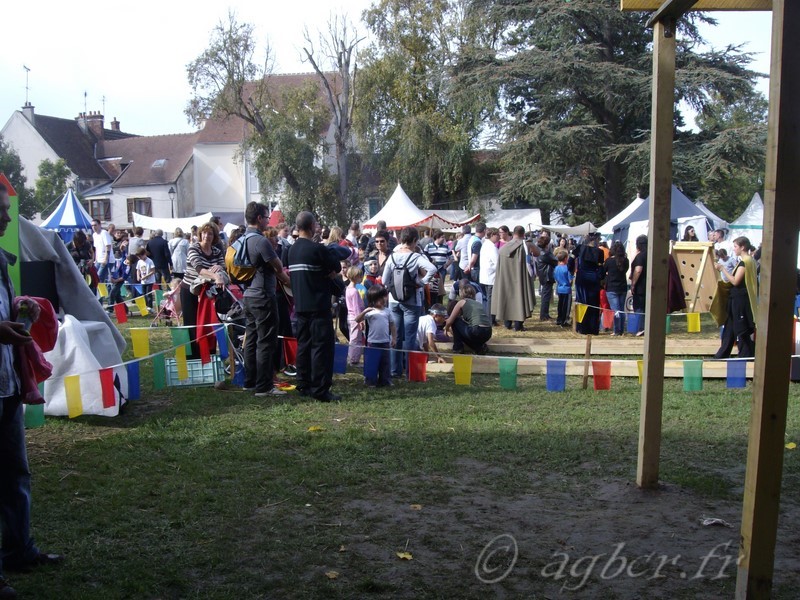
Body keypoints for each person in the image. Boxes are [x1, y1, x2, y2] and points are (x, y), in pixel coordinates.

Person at [0, 184, 63, 598]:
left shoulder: (1, 261)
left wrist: (22, 307)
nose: (7, 218)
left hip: (5, 384)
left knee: (15, 473)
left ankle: (19, 551)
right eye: (2, 211)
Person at [287, 211, 342, 402]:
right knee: (321, 348)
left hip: (300, 306)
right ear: (311, 226)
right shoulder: (317, 249)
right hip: (318, 305)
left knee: (303, 346)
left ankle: (303, 384)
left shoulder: (291, 250)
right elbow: (336, 266)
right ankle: (320, 389)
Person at [241, 202, 290, 396]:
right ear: (260, 218)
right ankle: (264, 386)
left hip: (248, 295)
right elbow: (278, 267)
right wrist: (291, 285)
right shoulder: (260, 241)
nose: (268, 220)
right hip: (263, 295)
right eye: (267, 217)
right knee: (266, 340)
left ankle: (250, 381)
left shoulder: (242, 239)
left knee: (251, 339)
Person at [382, 227, 435, 378]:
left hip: (394, 301)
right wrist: (421, 282)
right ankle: (410, 372)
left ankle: (394, 370)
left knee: (396, 336)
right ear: (414, 241)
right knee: (410, 338)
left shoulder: (392, 257)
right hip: (412, 301)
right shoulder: (416, 257)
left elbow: (385, 280)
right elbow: (432, 269)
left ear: (401, 239)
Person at [180, 222, 227, 359]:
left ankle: (208, 355)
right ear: (200, 234)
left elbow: (223, 266)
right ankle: (193, 358)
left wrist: (218, 268)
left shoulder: (217, 251)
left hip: (207, 293)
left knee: (207, 324)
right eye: (204, 233)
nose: (207, 236)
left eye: (210, 233)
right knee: (192, 324)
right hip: (189, 291)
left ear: (215, 236)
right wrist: (215, 275)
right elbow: (199, 269)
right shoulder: (193, 249)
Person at [714, 236, 758, 359]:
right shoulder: (747, 261)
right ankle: (722, 354)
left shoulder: (746, 261)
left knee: (741, 328)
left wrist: (722, 268)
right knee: (729, 327)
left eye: (735, 247)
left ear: (742, 247)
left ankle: (746, 354)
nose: (734, 249)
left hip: (740, 299)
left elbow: (735, 281)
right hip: (736, 299)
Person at [491, 225, 537, 331]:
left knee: (507, 297)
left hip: (506, 279)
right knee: (520, 298)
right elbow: (537, 253)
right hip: (520, 278)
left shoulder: (503, 249)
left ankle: (508, 324)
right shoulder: (526, 245)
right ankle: (518, 325)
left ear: (513, 232)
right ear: (523, 233)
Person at [355, 284, 396, 387]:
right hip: (373, 342)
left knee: (385, 363)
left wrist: (394, 338)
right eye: (379, 298)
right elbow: (357, 320)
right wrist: (365, 311)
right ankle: (370, 381)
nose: (382, 300)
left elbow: (392, 325)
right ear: (373, 300)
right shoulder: (370, 312)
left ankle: (385, 380)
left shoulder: (387, 311)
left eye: (384, 297)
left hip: (385, 342)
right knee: (371, 363)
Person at [445, 284, 492, 354]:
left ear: (461, 294)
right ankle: (479, 347)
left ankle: (458, 348)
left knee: (456, 320)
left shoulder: (461, 302)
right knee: (465, 332)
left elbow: (450, 321)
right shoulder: (478, 303)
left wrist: (446, 329)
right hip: (488, 332)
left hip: (476, 330)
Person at [574, 232, 604, 335]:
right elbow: (600, 268)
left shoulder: (580, 248)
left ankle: (581, 327)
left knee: (582, 301)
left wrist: (570, 270)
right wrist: (600, 277)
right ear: (595, 240)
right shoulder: (600, 252)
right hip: (593, 278)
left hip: (582, 277)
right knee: (593, 303)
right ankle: (592, 327)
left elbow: (571, 258)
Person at [604, 241, 630, 336]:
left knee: (615, 310)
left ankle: (616, 330)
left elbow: (603, 271)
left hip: (611, 288)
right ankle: (621, 330)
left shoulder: (609, 261)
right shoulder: (626, 261)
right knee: (621, 310)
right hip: (622, 287)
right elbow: (625, 270)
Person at [345, 266, 366, 366]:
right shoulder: (354, 291)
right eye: (359, 276)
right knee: (355, 339)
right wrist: (360, 320)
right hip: (355, 318)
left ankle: (353, 358)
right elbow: (356, 307)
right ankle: (353, 359)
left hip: (351, 317)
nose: (361, 278)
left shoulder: (348, 289)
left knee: (354, 337)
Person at [478, 228, 499, 324]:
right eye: (497, 235)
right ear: (492, 235)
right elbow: (497, 263)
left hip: (486, 276)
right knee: (491, 299)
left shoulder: (485, 245)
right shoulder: (492, 247)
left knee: (488, 298)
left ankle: (489, 318)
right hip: (491, 277)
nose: (498, 237)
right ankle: (491, 319)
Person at [536, 233, 557, 321]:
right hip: (546, 276)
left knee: (546, 296)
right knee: (545, 296)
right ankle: (543, 315)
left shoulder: (542, 252)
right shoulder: (545, 254)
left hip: (544, 276)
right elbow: (555, 261)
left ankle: (545, 314)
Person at [630, 235, 648, 337]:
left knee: (639, 308)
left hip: (641, 286)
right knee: (648, 308)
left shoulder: (640, 256)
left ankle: (641, 328)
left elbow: (638, 270)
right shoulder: (652, 255)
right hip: (651, 286)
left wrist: (633, 284)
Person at [554, 250, 573, 327]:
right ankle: (564, 320)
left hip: (559, 288)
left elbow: (555, 278)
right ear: (565, 259)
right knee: (566, 306)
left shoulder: (556, 268)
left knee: (560, 304)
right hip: (566, 289)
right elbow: (570, 280)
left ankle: (559, 319)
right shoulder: (567, 268)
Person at [91, 218, 113, 284]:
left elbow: (108, 246)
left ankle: (103, 294)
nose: (93, 227)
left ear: (100, 225)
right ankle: (98, 294)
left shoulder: (104, 233)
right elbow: (96, 248)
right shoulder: (94, 235)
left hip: (106, 260)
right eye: (92, 226)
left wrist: (106, 259)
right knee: (94, 277)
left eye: (95, 225)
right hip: (98, 260)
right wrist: (95, 259)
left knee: (99, 278)